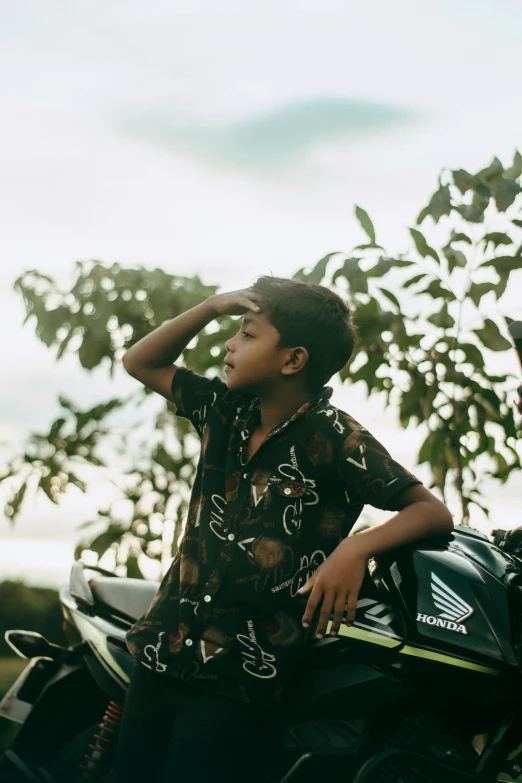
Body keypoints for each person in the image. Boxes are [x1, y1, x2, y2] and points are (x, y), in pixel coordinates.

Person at [115, 275, 453, 783]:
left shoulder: (338, 437)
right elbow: (140, 362)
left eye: (248, 334)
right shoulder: (223, 412)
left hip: (241, 680)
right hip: (162, 648)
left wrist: (355, 550)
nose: (229, 343)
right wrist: (210, 308)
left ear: (293, 360)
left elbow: (430, 512)